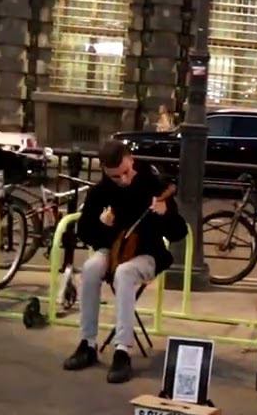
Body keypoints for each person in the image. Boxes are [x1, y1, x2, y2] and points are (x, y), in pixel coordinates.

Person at [63, 139, 185, 383]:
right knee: (90, 268)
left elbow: (178, 232)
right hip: (112, 251)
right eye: (115, 177)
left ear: (131, 159)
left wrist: (165, 214)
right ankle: (87, 343)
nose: (123, 180)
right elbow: (85, 232)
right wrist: (102, 225)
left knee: (124, 273)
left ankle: (122, 350)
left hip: (148, 254)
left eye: (126, 172)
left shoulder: (154, 185)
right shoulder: (101, 191)